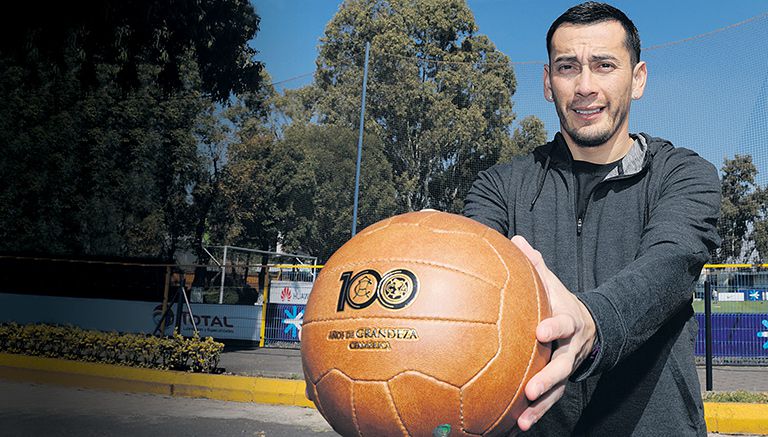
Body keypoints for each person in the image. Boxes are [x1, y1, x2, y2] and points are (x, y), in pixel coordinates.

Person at [463, 2, 720, 436]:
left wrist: (592, 323)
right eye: (567, 67)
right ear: (548, 83)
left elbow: (670, 264)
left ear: (637, 79)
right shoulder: (498, 188)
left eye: (604, 65)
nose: (585, 86)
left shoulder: (684, 175)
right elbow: (471, 288)